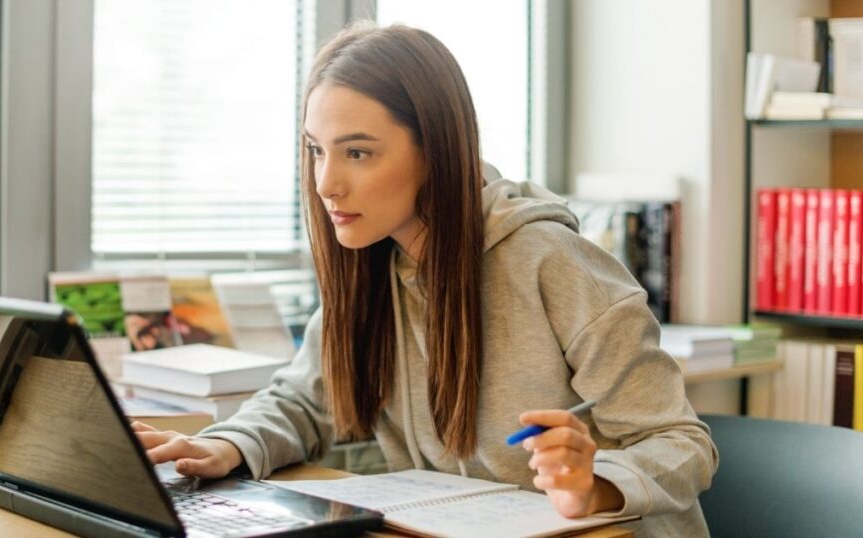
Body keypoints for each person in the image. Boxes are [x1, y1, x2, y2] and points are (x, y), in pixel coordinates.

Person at [132, 23, 718, 536]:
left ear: (436, 151)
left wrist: (594, 484)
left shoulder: (551, 261)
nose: (326, 183)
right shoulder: (373, 263)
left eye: (357, 153)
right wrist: (226, 443)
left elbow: (682, 443)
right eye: (316, 150)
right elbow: (303, 401)